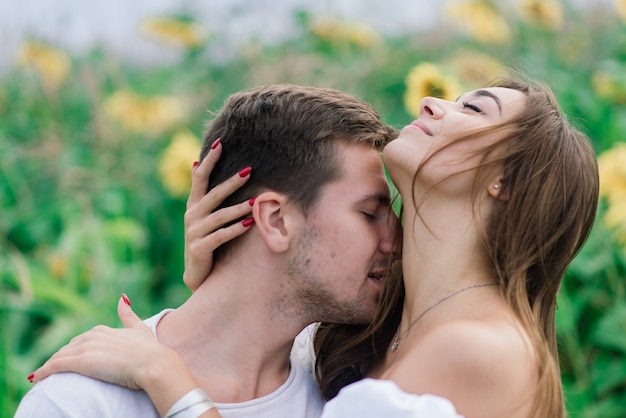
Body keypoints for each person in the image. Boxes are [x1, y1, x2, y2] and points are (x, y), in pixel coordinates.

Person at [26, 76, 599, 418]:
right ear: (272, 219)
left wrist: (173, 385)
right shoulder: (382, 334)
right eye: (372, 212)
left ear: (508, 184)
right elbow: (266, 312)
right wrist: (230, 273)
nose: (430, 103)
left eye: (474, 109)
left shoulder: (477, 349)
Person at [15, 84, 400, 418]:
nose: (395, 243)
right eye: (370, 214)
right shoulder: (80, 404)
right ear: (276, 220)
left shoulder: (354, 389)